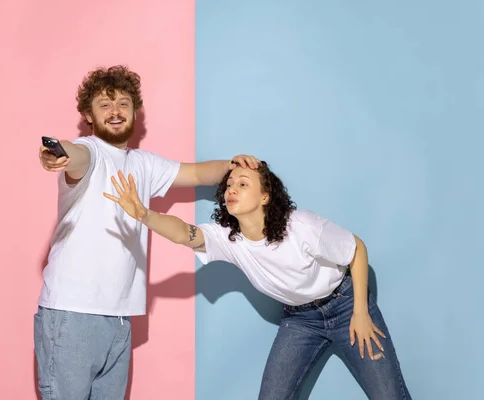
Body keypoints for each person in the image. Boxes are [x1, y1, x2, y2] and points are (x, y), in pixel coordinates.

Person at [35, 65, 260, 400]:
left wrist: (234, 165)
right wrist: (57, 153)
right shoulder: (91, 152)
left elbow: (198, 174)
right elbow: (75, 153)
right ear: (88, 115)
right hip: (72, 315)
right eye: (105, 104)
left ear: (134, 111)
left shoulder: (144, 163)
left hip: (119, 320)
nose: (115, 111)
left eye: (123, 103)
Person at [105, 161, 412, 399]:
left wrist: (360, 312)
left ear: (265, 196)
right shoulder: (228, 239)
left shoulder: (301, 225)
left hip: (346, 306)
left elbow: (356, 249)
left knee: (389, 395)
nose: (231, 190)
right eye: (228, 185)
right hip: (300, 320)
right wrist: (144, 214)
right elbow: (185, 233)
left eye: (242, 183)